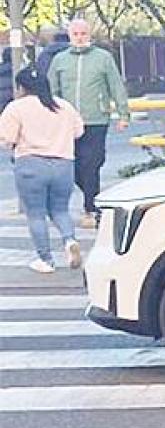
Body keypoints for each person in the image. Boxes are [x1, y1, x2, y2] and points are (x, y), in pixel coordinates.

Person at [0, 65, 85, 273]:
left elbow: (7, 139)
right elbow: (79, 131)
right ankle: (69, 240)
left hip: (31, 165)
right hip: (63, 164)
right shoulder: (63, 106)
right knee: (60, 210)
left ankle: (45, 260)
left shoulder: (16, 108)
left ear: (22, 87)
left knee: (36, 214)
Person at [47, 18, 129, 227]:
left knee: (92, 164)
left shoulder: (103, 58)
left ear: (89, 35)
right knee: (73, 167)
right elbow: (52, 90)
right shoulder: (60, 60)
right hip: (67, 122)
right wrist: (51, 114)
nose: (80, 37)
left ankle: (90, 210)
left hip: (96, 119)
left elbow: (116, 86)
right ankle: (97, 199)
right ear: (70, 36)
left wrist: (123, 114)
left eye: (83, 33)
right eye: (76, 34)